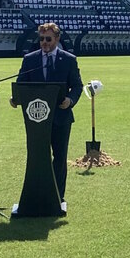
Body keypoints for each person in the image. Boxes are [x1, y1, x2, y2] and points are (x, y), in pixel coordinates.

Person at [10, 22, 83, 203]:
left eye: (48, 39)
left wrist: (70, 100)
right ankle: (37, 195)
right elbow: (22, 84)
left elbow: (77, 86)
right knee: (37, 157)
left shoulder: (69, 59)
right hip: (37, 119)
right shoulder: (30, 59)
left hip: (61, 118)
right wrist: (16, 98)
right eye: (41, 39)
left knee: (59, 158)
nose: (44, 43)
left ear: (57, 39)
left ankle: (58, 197)